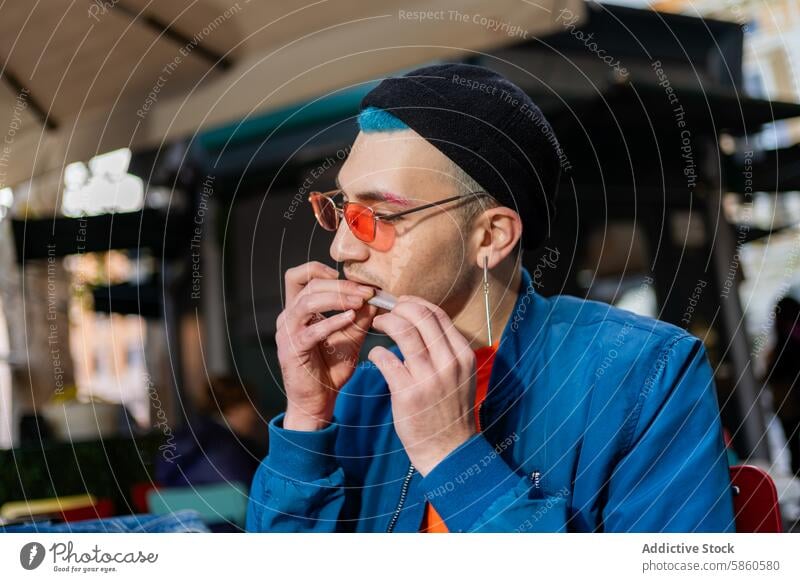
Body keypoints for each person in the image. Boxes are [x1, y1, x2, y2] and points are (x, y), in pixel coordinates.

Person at [245, 63, 735, 532]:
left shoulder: (645, 373)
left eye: (380, 215)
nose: (341, 247)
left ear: (491, 236)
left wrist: (452, 455)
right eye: (342, 210)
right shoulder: (361, 386)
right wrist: (307, 420)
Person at [764, 296, 800, 477]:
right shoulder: (791, 336)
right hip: (790, 406)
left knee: (795, 451)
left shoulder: (784, 340)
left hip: (790, 407)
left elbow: (771, 374)